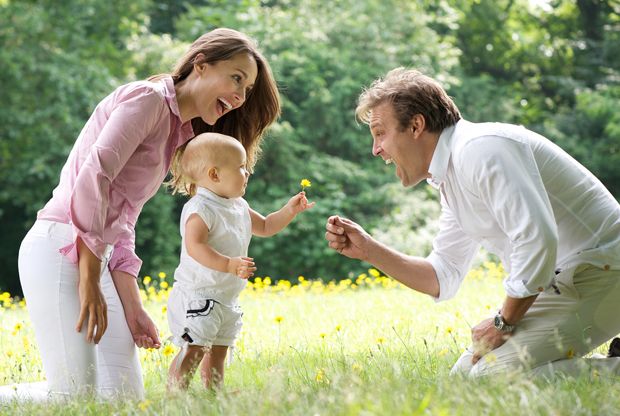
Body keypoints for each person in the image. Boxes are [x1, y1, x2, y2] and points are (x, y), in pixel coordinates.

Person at [13, 28, 280, 401]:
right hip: (60, 249)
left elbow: (122, 221)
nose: (240, 96)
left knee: (123, 396)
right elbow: (96, 177)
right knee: (73, 397)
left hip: (97, 257)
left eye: (247, 89)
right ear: (200, 65)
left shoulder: (177, 131)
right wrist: (88, 278)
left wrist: (132, 305)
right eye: (236, 78)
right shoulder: (149, 100)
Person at [325, 68, 620, 377]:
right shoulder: (451, 176)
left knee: (488, 378)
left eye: (380, 133)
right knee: (462, 379)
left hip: (604, 273)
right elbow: (442, 276)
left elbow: (537, 239)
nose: (376, 150)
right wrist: (369, 250)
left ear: (415, 126)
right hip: (568, 282)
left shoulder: (480, 150)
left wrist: (502, 323)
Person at [165, 132, 314, 390]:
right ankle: (175, 394)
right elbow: (195, 246)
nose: (247, 173)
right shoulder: (201, 208)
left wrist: (289, 210)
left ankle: (214, 392)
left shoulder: (238, 205)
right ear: (214, 175)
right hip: (200, 294)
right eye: (241, 168)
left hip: (226, 296)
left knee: (219, 349)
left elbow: (266, 226)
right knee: (196, 347)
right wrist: (229, 265)